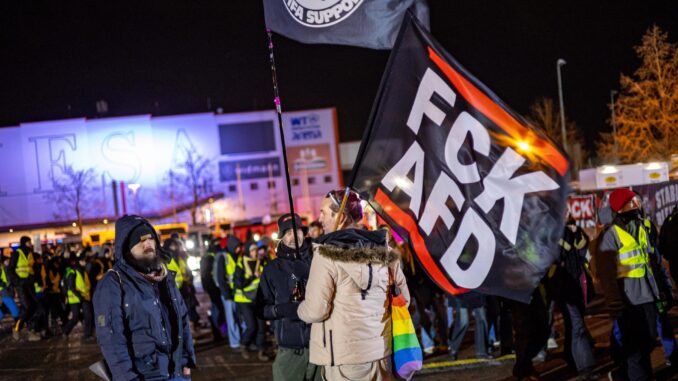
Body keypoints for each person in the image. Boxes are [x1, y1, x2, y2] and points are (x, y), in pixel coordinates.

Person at [298, 189, 409, 380]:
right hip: (382, 354)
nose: (320, 218)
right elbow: (403, 300)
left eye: (324, 212)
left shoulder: (325, 255)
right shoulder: (385, 251)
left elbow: (316, 310)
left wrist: (300, 308)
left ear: (340, 218)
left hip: (345, 359)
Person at [94, 215, 196, 380]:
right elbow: (111, 339)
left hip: (177, 373)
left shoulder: (165, 277)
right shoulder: (113, 283)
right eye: (140, 240)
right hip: (144, 376)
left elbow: (182, 320)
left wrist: (186, 362)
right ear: (127, 247)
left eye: (150, 238)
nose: (148, 243)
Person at [596, 189, 665, 380]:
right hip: (628, 301)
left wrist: (661, 292)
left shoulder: (642, 228)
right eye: (632, 202)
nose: (637, 205)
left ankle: (623, 374)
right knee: (636, 349)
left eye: (636, 201)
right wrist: (614, 302)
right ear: (620, 207)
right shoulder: (610, 235)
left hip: (648, 296)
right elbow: (607, 275)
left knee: (649, 342)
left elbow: (652, 263)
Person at [256, 213, 320, 380]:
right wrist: (281, 310)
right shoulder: (272, 269)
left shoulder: (319, 260)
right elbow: (261, 309)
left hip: (321, 348)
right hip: (290, 351)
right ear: (281, 238)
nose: (294, 236)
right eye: (288, 232)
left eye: (297, 231)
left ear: (303, 233)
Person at [551, 216, 596, 379]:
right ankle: (586, 367)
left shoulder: (572, 228)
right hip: (564, 288)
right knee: (578, 326)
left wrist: (576, 232)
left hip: (577, 285)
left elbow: (583, 248)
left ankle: (571, 358)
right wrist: (567, 232)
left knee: (573, 326)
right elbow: (559, 253)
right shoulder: (553, 231)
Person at [234, 242, 268, 361]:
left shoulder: (261, 262)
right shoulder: (241, 264)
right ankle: (244, 345)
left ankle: (261, 350)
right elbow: (239, 284)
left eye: (255, 250)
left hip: (257, 299)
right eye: (252, 250)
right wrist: (253, 277)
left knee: (261, 326)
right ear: (248, 251)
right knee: (252, 326)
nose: (255, 253)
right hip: (244, 300)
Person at [8, 236, 42, 341]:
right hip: (21, 286)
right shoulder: (17, 253)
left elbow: (34, 269)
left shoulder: (30, 254)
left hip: (30, 285)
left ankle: (31, 331)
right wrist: (18, 282)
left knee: (35, 307)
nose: (30, 244)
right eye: (28, 242)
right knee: (27, 307)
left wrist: (39, 282)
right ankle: (17, 328)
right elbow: (10, 270)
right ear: (24, 243)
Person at [215, 235, 243, 349]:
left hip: (238, 293)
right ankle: (235, 342)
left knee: (239, 317)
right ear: (232, 246)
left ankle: (241, 338)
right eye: (237, 247)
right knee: (231, 318)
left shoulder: (238, 256)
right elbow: (221, 278)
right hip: (229, 294)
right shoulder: (224, 257)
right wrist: (226, 294)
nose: (239, 249)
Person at [448, 292, 491, 360]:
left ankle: (482, 352)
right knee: (463, 322)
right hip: (460, 291)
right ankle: (453, 349)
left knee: (481, 319)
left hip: (475, 291)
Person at [62, 254, 93, 340]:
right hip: (75, 298)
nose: (85, 262)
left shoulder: (84, 271)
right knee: (75, 318)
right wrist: (79, 296)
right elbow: (71, 287)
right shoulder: (73, 272)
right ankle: (65, 331)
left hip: (84, 297)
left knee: (88, 316)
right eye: (83, 261)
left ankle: (88, 335)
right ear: (79, 261)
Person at [200, 240, 226, 342]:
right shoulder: (211, 258)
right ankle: (216, 330)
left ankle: (217, 330)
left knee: (216, 308)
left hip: (210, 287)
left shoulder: (206, 257)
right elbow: (208, 275)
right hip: (213, 287)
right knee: (217, 308)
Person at [0, 256, 20, 326]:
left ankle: (16, 329)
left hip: (7, 293)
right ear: (3, 262)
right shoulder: (3, 270)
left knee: (3, 311)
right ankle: (16, 330)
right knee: (16, 312)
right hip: (5, 293)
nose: (8, 262)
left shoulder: (8, 270)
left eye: (9, 261)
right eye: (7, 261)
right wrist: (5, 285)